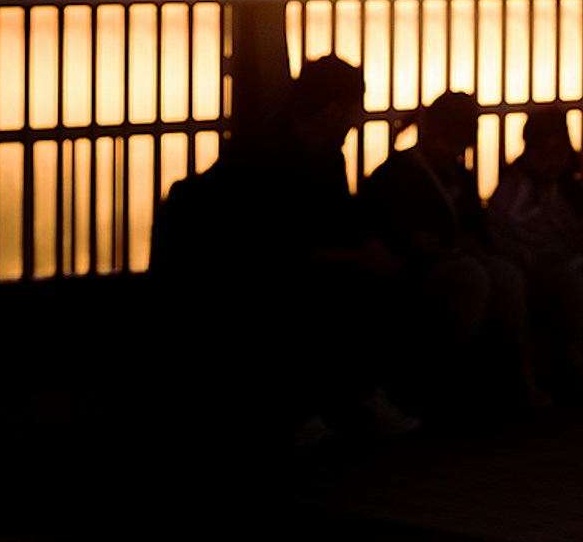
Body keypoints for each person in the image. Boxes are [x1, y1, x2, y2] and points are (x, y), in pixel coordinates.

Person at [151, 54, 414, 448]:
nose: (357, 121)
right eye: (354, 110)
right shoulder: (263, 157)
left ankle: (346, 402)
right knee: (305, 298)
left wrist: (367, 247)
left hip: (282, 267)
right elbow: (275, 249)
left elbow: (337, 224)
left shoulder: (322, 154)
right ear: (332, 110)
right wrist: (360, 259)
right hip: (236, 277)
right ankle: (317, 408)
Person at [364, 89, 537, 411]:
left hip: (457, 260)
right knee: (474, 278)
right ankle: (454, 377)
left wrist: (470, 243)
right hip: (412, 271)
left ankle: (514, 378)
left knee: (506, 274)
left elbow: (476, 226)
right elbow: (384, 228)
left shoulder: (456, 171)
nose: (455, 149)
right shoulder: (396, 173)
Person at [488, 104, 583, 397]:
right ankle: (576, 367)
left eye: (559, 155)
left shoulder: (567, 189)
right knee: (576, 286)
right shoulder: (516, 189)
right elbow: (505, 231)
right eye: (546, 155)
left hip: (570, 262)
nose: (553, 163)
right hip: (533, 269)